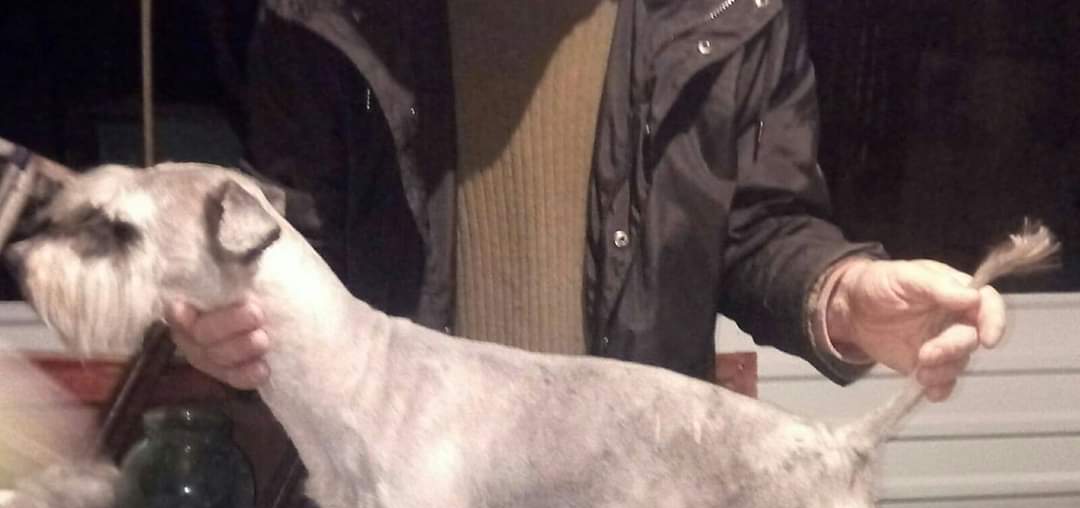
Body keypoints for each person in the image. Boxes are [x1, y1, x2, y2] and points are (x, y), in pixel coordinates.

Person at [170, 0, 1005, 403]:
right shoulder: (326, 16)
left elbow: (759, 226)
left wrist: (841, 296)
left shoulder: (732, 8)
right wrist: (219, 318)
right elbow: (293, 244)